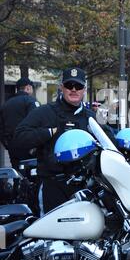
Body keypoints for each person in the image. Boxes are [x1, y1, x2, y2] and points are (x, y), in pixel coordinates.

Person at [13, 68, 98, 215]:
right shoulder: (45, 112)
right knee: (50, 234)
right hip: (52, 186)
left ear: (84, 89)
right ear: (61, 87)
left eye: (78, 86)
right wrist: (48, 132)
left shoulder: (91, 117)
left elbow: (110, 142)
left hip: (83, 186)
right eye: (69, 85)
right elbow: (19, 137)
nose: (73, 89)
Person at [0, 77, 40, 169]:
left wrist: (7, 144)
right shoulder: (31, 101)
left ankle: (16, 183)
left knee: (16, 171)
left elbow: (1, 128)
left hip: (12, 145)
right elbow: (38, 122)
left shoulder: (6, 104)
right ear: (28, 87)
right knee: (31, 173)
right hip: (29, 145)